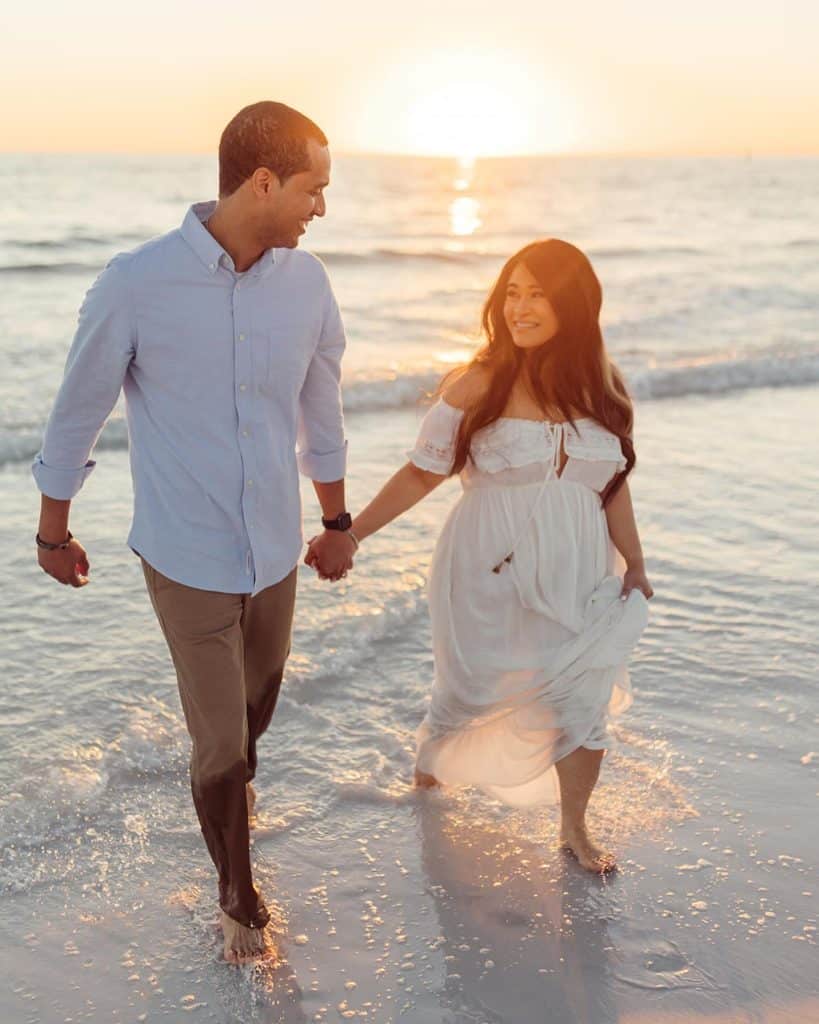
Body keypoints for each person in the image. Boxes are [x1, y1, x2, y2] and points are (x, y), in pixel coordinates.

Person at [33, 101, 357, 963]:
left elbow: (320, 413)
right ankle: (238, 901)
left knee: (250, 725)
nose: (320, 208)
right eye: (312, 189)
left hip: (276, 549)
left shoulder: (308, 285)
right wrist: (50, 532)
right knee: (219, 738)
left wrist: (336, 520)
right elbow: (77, 412)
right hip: (185, 554)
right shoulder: (135, 283)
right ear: (263, 181)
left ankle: (228, 847)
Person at [307, 239, 653, 872]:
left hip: (578, 570)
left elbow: (612, 487)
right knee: (469, 691)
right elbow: (420, 473)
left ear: (572, 303)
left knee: (581, 695)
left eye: (537, 293)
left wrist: (635, 561)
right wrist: (350, 533)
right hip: (484, 567)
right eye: (511, 292)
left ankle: (574, 826)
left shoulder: (604, 390)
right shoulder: (480, 383)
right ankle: (427, 780)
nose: (519, 308)